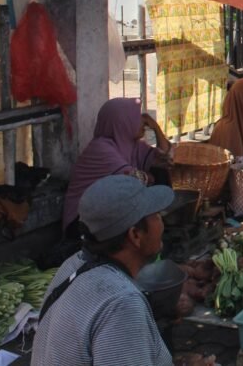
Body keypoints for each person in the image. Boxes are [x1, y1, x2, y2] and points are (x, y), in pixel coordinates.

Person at [34, 175, 175, 366]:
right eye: (157, 216)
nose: (162, 224)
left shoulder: (74, 264)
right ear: (135, 234)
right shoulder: (121, 303)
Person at [63, 98, 172, 239]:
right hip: (83, 222)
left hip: (108, 215)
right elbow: (135, 179)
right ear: (122, 122)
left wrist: (155, 127)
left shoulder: (133, 145)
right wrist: (149, 177)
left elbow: (167, 159)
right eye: (136, 117)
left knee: (160, 171)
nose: (142, 123)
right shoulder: (101, 148)